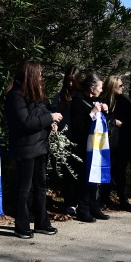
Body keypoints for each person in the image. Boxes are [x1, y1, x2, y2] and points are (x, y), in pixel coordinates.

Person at [4, 60, 63, 239]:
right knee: (25, 188)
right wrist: (49, 117)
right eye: (38, 74)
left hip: (39, 146)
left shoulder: (36, 94)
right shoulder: (15, 96)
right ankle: (21, 225)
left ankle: (41, 222)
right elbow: (25, 122)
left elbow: (42, 113)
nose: (40, 77)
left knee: (40, 186)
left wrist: (50, 122)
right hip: (24, 148)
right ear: (30, 75)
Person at [70, 73, 111, 222]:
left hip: (97, 146)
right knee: (85, 178)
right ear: (92, 87)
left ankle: (95, 207)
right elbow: (77, 126)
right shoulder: (77, 102)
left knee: (96, 177)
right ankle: (83, 209)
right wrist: (91, 114)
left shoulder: (97, 100)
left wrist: (105, 111)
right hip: (83, 146)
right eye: (100, 87)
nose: (101, 90)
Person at [51, 65, 81, 216]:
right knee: (69, 172)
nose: (70, 84)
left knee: (80, 171)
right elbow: (54, 114)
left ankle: (80, 201)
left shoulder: (81, 96)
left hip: (79, 138)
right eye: (68, 81)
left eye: (73, 81)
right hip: (65, 139)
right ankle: (69, 202)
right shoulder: (59, 96)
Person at [101, 75, 131, 208]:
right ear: (113, 86)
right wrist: (113, 122)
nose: (123, 87)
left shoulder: (125, 102)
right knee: (106, 171)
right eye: (120, 85)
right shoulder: (102, 101)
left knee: (120, 172)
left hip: (121, 142)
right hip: (106, 142)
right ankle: (104, 199)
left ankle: (122, 199)